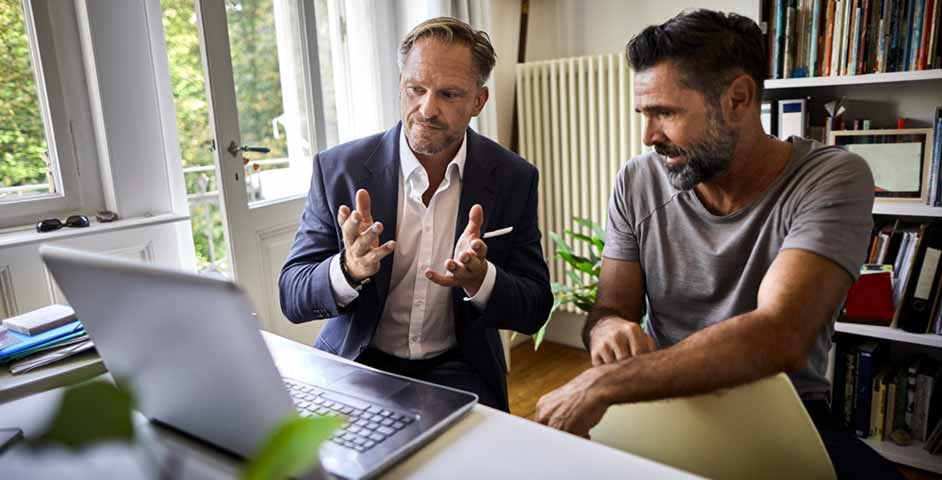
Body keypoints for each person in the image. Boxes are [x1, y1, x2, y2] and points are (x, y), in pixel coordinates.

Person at [534, 9, 899, 478]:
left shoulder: (832, 178)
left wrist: (603, 383)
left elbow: (780, 334)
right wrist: (606, 330)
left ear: (738, 99)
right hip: (660, 402)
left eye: (664, 112)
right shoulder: (637, 181)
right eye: (643, 114)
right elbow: (610, 308)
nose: (648, 136)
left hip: (782, 412)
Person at [280, 17, 552, 411]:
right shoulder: (339, 169)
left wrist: (482, 280)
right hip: (358, 363)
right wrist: (348, 269)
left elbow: (535, 307)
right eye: (416, 89)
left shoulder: (514, 178)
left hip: (461, 368)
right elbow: (292, 293)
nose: (427, 108)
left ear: (478, 100)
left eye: (449, 94)